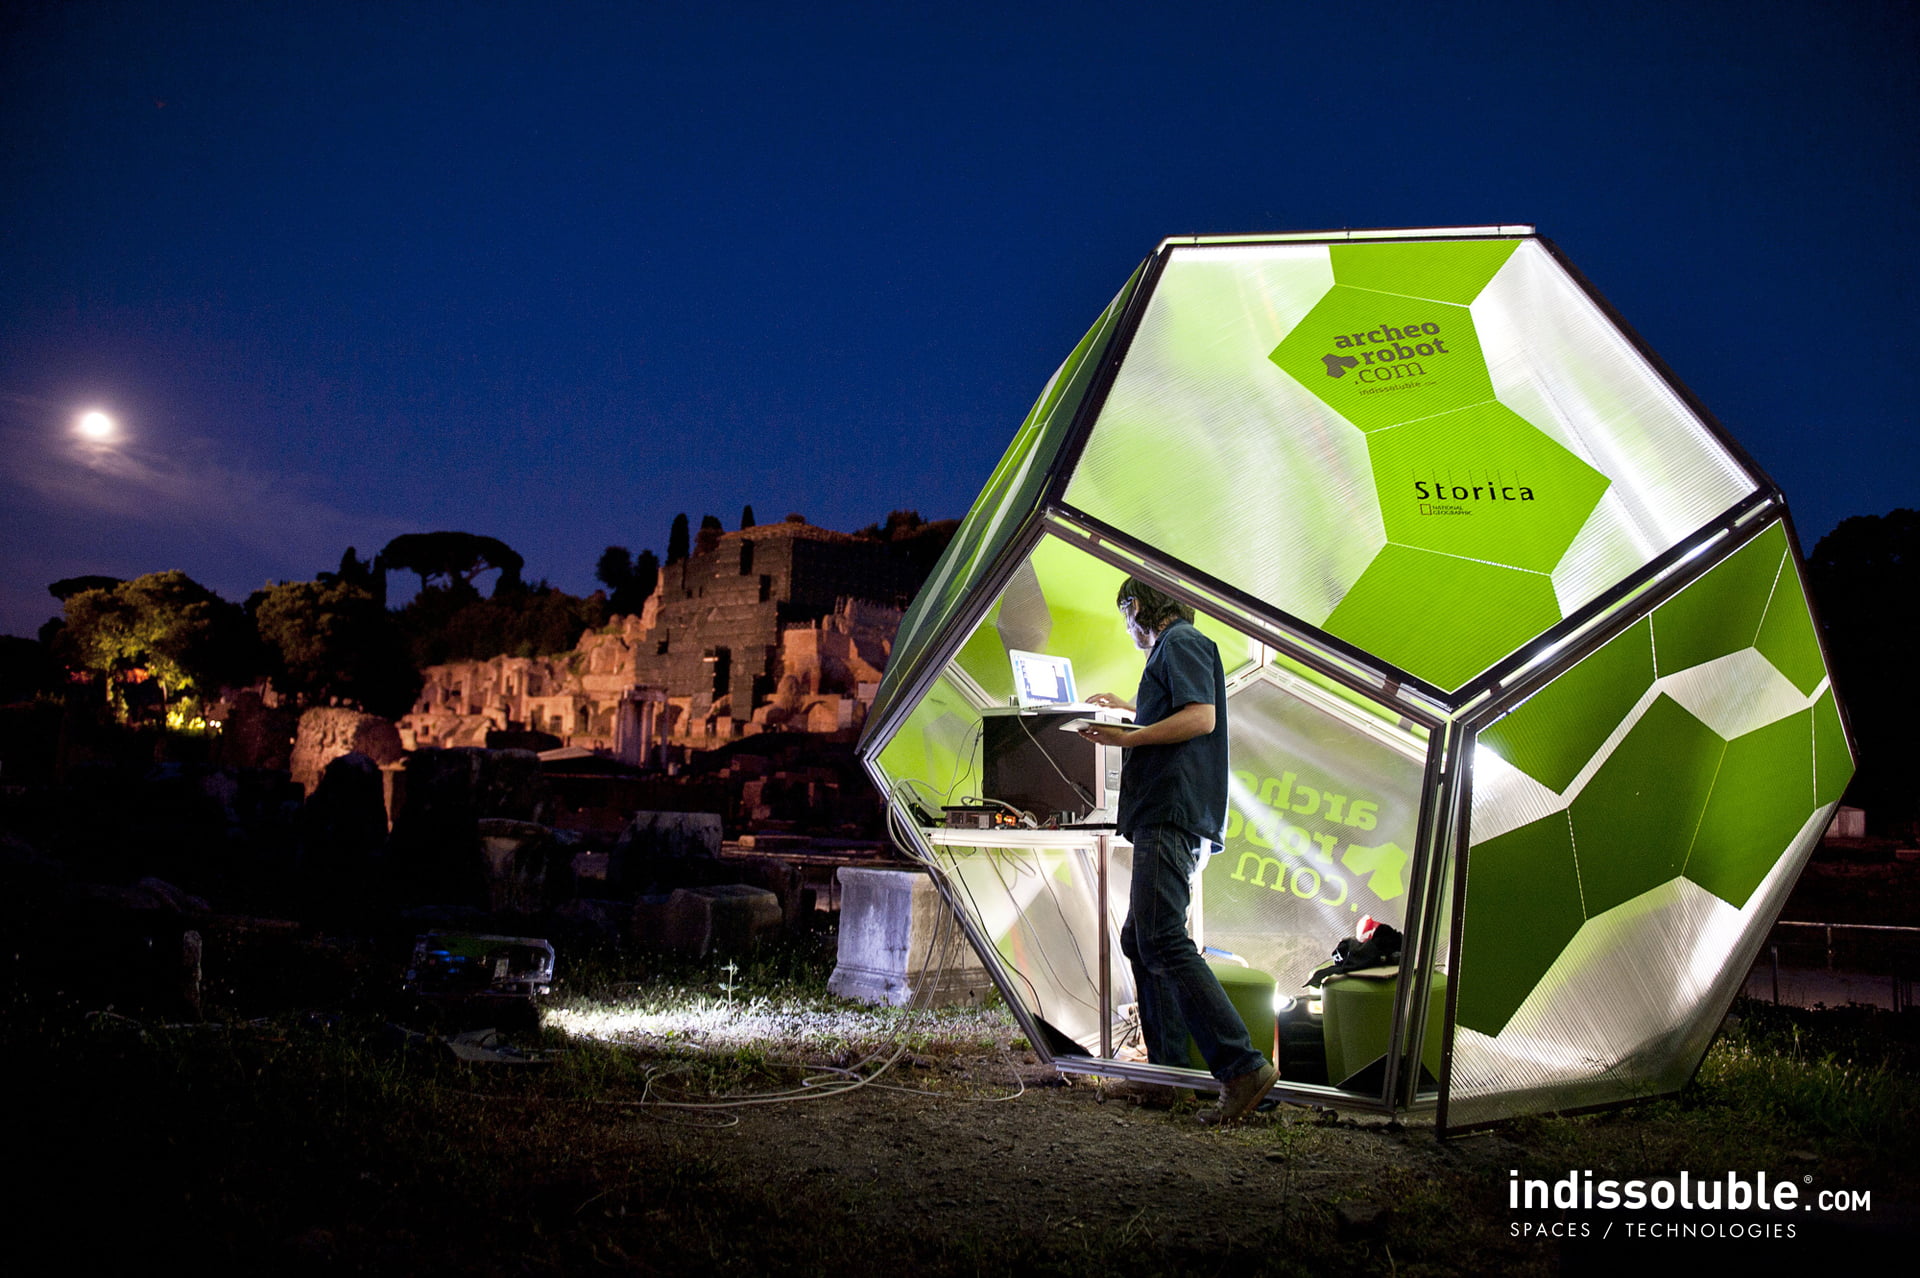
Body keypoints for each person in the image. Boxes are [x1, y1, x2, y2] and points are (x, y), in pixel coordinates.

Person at [1081, 576, 1279, 1122]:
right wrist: (1132, 712)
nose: (1129, 631)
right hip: (1166, 812)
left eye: (1126, 617)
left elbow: (1201, 717)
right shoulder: (1176, 649)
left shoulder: (1182, 642)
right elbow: (1182, 711)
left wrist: (1130, 737)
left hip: (1171, 812)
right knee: (1140, 937)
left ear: (1137, 605)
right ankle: (1166, 1076)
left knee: (1162, 937)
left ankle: (1241, 1068)